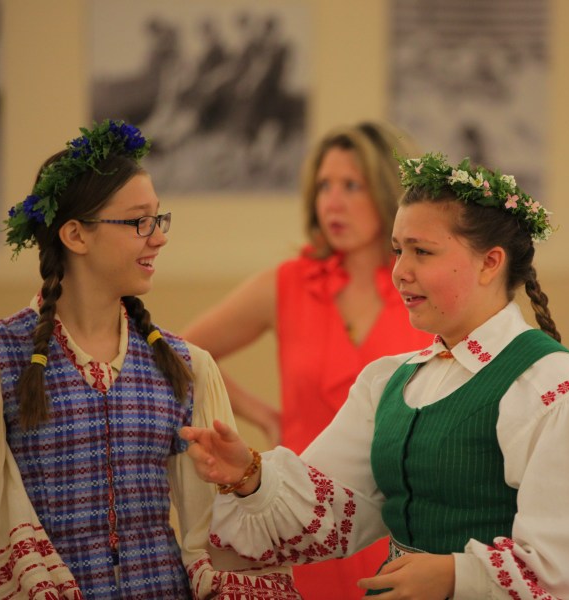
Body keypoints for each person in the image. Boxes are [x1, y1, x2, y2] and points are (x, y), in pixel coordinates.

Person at [181, 152, 569, 599]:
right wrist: (250, 475)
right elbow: (329, 505)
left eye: (422, 252)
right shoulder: (389, 381)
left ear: (490, 263)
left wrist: (457, 575)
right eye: (398, 250)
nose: (400, 272)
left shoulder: (551, 386)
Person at [0, 120, 299, 598]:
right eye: (139, 222)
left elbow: (212, 528)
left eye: (159, 219)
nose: (158, 238)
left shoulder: (185, 366)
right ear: (76, 235)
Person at [181, 121, 433, 600]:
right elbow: (182, 351)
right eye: (323, 186)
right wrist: (261, 414)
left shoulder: (422, 287)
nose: (332, 203)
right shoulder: (288, 284)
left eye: (351, 186)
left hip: (398, 523)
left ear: (388, 192)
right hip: (300, 517)